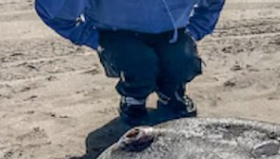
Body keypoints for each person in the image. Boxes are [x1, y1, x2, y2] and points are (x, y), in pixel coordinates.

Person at [35, 0, 226, 125]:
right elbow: (54, 12)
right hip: (117, 34)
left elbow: (212, 3)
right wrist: (95, 39)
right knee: (139, 62)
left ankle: (171, 93)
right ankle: (133, 98)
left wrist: (195, 31)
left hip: (172, 32)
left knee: (182, 59)